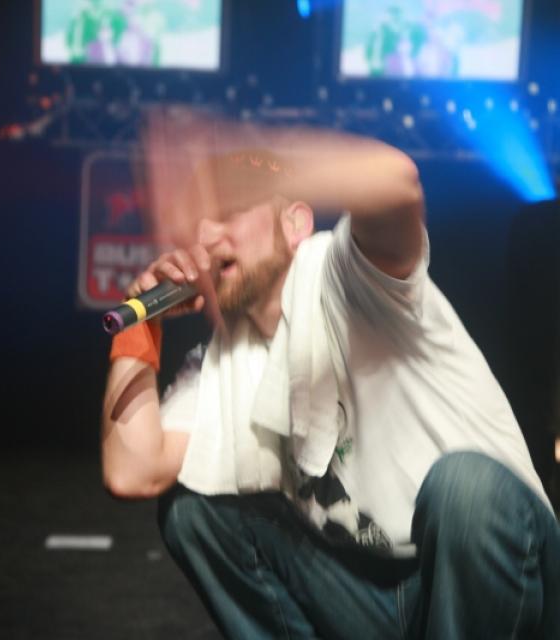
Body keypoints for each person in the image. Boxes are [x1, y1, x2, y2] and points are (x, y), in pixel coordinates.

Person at [101, 124, 560, 639]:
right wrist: (140, 328)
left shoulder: (346, 275)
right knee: (192, 512)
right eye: (198, 224)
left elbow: (396, 180)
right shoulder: (225, 358)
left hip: (498, 580)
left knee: (466, 487)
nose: (206, 237)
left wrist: (250, 152)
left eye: (230, 210)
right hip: (379, 599)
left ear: (295, 223)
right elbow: (132, 472)